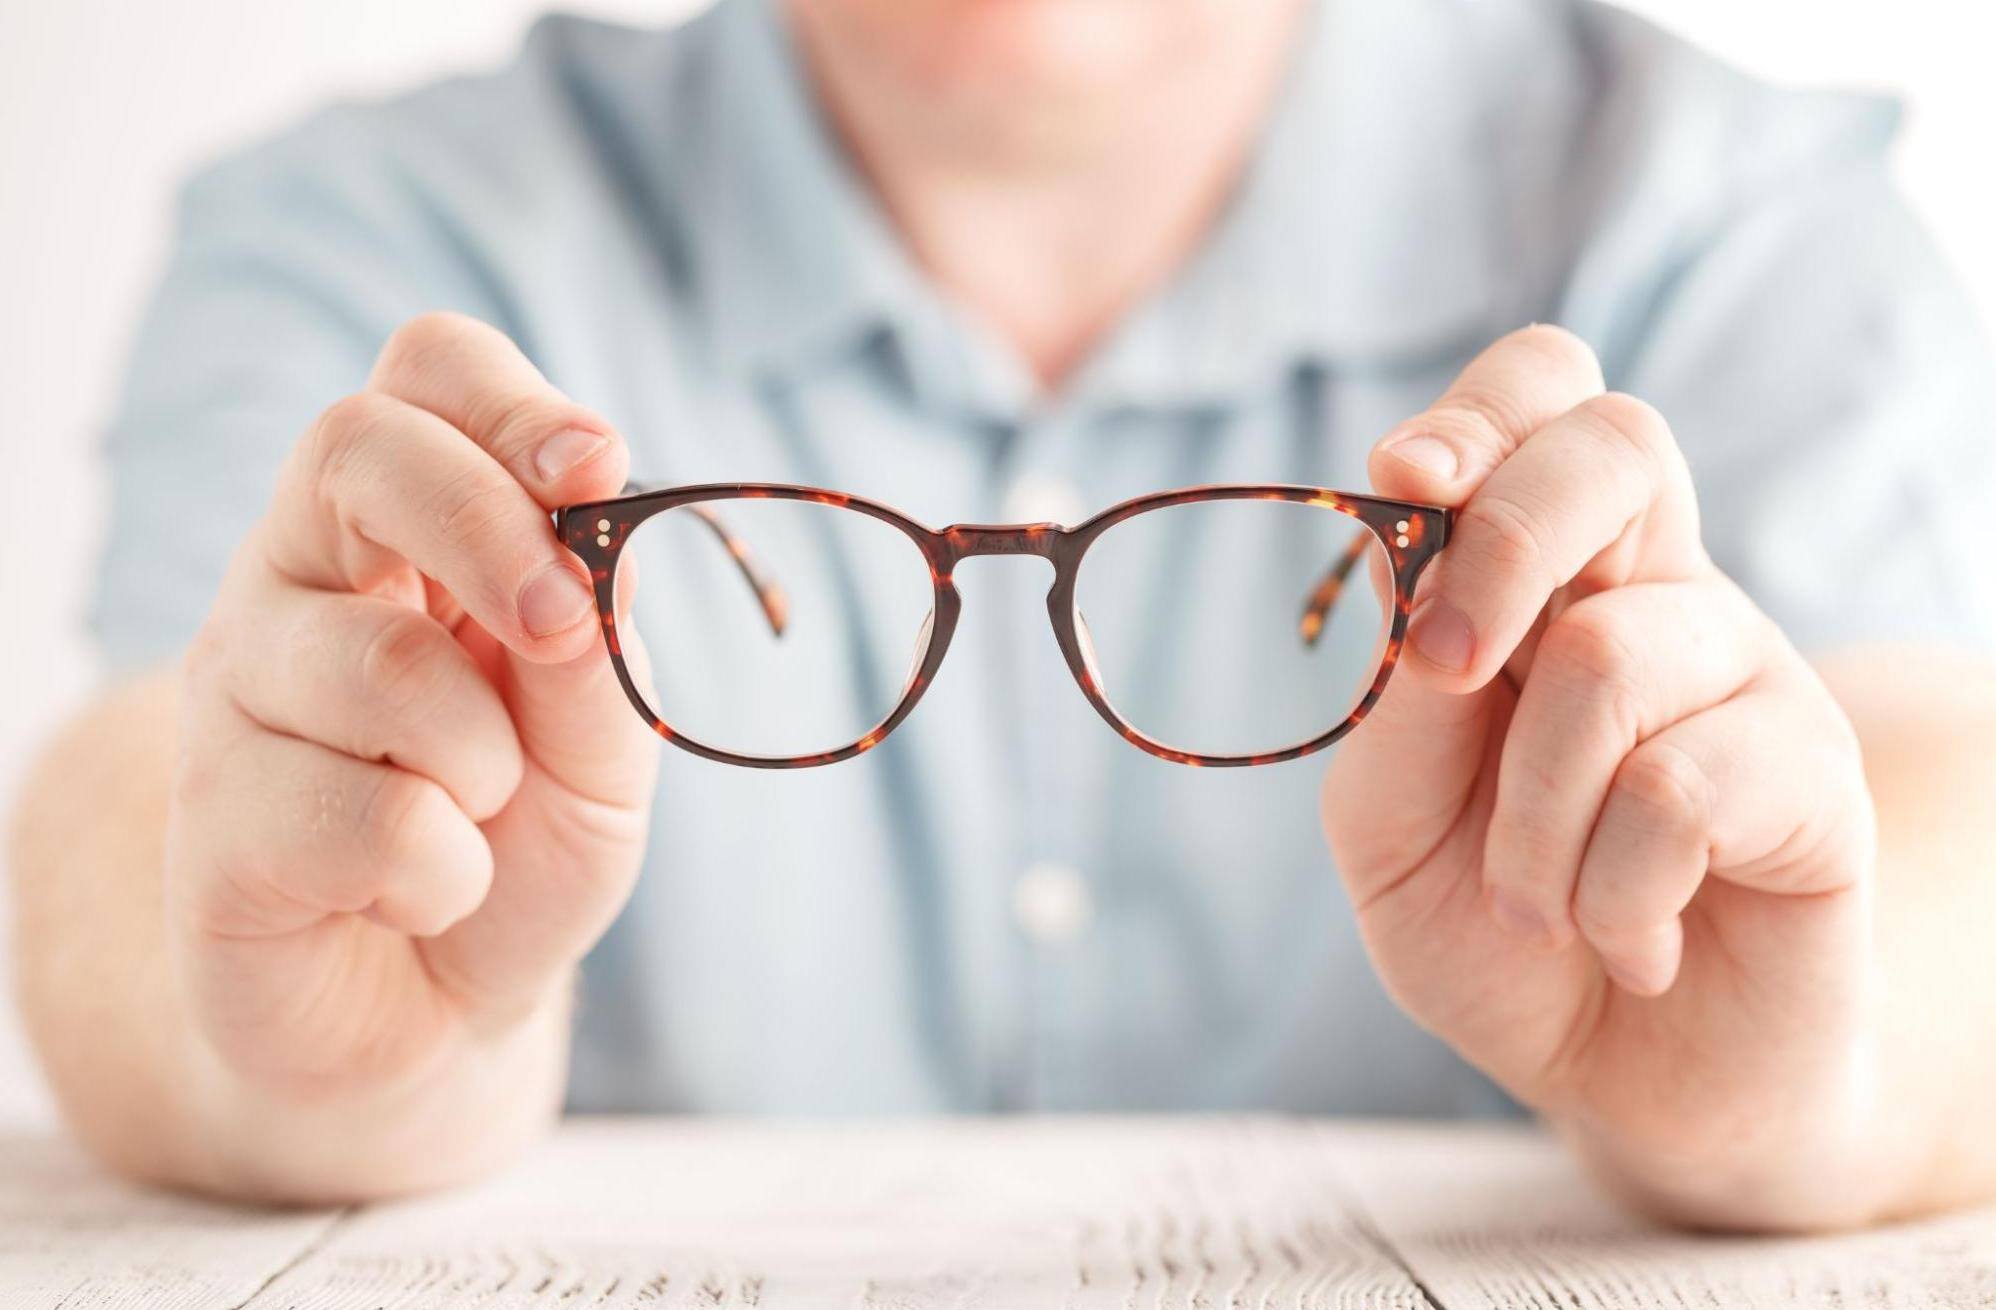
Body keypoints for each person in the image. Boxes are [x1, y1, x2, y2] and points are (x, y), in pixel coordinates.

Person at [11, 0, 1996, 1229]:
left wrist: (1786, 1081)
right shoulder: (373, 237)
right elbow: (137, 790)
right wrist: (294, 1038)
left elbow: (1932, 804)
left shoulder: (1718, 215)